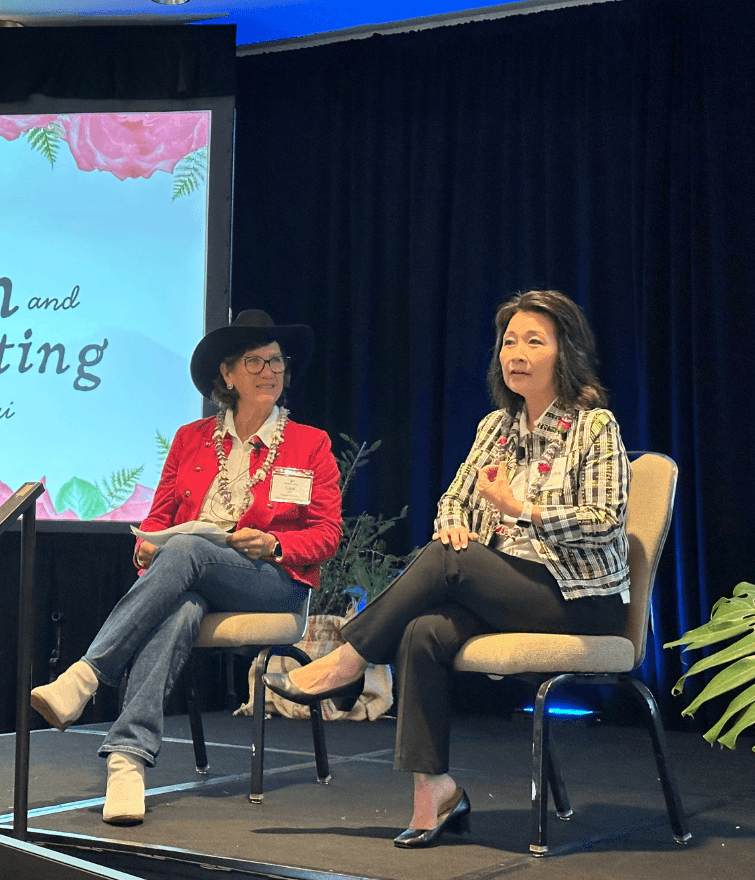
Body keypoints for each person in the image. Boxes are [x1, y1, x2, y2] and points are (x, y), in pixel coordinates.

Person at [264, 289, 630, 849]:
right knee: (423, 629)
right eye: (509, 341)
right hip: (508, 589)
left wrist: (521, 510)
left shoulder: (593, 426)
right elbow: (454, 500)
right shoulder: (495, 429)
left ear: (566, 353)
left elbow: (605, 521)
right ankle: (434, 791)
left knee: (449, 562)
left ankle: (348, 659)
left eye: (535, 341)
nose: (517, 353)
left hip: (580, 599)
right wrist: (455, 524)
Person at [31, 309, 342, 826]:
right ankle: (127, 763)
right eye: (255, 361)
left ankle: (87, 674)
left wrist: (275, 545)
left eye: (277, 362)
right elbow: (158, 518)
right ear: (227, 375)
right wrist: (147, 549)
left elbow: (327, 534)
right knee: (182, 602)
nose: (270, 371)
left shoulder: (310, 443)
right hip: (192, 575)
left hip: (271, 581)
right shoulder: (190, 439)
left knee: (190, 551)